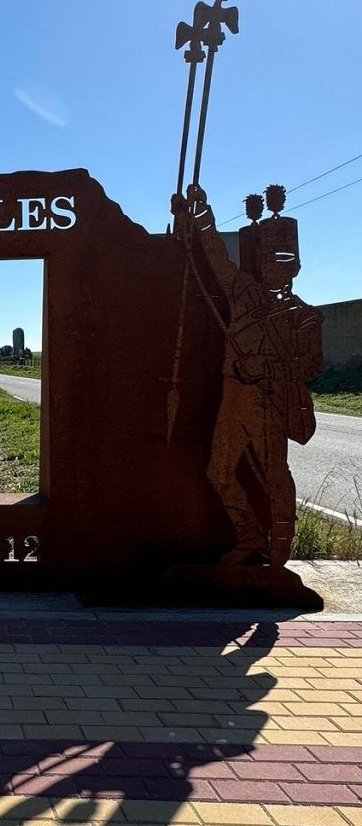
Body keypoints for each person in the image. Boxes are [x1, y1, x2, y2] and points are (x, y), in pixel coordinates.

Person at [170, 184, 323, 566]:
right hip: (235, 396)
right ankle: (250, 535)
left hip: (272, 399)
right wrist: (199, 214)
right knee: (219, 472)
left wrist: (267, 366)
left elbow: (310, 366)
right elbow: (216, 256)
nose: (275, 269)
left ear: (295, 267)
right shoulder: (242, 292)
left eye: (283, 262)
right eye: (269, 261)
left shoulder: (305, 317)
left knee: (275, 475)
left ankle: (281, 543)